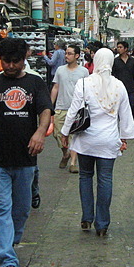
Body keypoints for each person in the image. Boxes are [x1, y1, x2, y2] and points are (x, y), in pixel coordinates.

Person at [0, 38, 53, 267]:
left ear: (24, 59)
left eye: (16, 61)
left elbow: (45, 110)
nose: (11, 66)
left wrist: (40, 132)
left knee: (21, 209)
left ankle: (10, 242)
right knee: (0, 209)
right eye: (6, 61)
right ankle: (8, 261)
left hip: (26, 160)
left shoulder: (34, 83)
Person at [60, 48, 134, 236]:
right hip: (109, 140)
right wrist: (124, 137)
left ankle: (87, 217)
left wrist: (65, 131)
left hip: (86, 139)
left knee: (85, 176)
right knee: (105, 179)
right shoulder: (119, 85)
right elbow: (125, 115)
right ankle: (102, 224)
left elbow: (74, 110)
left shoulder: (84, 83)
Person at [51, 44, 89, 173]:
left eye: (69, 53)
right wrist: (50, 106)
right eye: (66, 53)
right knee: (58, 134)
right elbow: (55, 87)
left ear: (77, 56)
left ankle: (73, 163)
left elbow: (87, 90)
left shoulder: (83, 71)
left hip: (77, 109)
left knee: (74, 136)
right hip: (61, 107)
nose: (66, 56)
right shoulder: (60, 70)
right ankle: (65, 153)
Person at [112, 40, 134, 121]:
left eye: (120, 47)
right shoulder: (115, 61)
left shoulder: (132, 61)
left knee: (129, 107)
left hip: (130, 88)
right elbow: (113, 75)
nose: (118, 49)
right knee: (119, 108)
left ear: (126, 49)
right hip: (118, 89)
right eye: (118, 47)